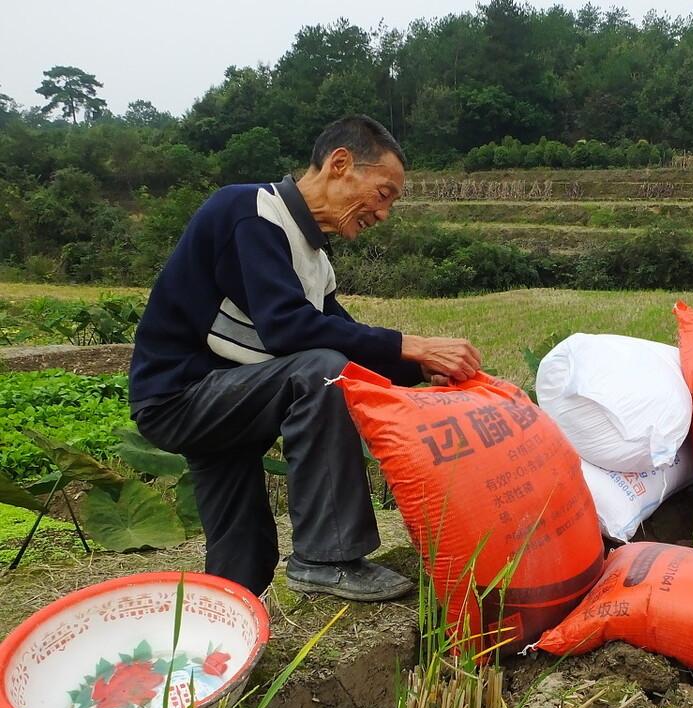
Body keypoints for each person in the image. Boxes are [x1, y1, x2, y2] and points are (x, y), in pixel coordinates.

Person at [129, 114, 481, 601]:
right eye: (383, 195)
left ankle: (221, 642)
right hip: (182, 397)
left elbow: (344, 335)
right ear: (340, 164)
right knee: (321, 374)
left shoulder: (313, 258)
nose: (383, 215)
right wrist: (412, 343)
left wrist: (420, 368)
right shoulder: (250, 212)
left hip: (234, 399)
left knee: (242, 559)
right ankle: (327, 559)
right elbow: (289, 329)